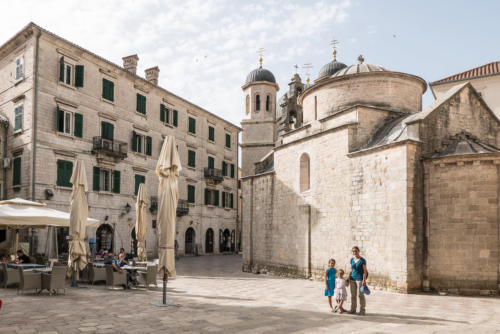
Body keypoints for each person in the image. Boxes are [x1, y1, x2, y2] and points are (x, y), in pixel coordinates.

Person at [347, 246, 367, 315]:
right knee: (353, 295)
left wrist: (364, 280)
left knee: (360, 295)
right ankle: (353, 309)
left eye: (355, 251)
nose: (354, 252)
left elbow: (365, 271)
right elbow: (351, 269)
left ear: (358, 251)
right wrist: (348, 278)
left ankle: (362, 310)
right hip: (352, 279)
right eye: (353, 251)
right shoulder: (352, 260)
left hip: (360, 280)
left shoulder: (362, 260)